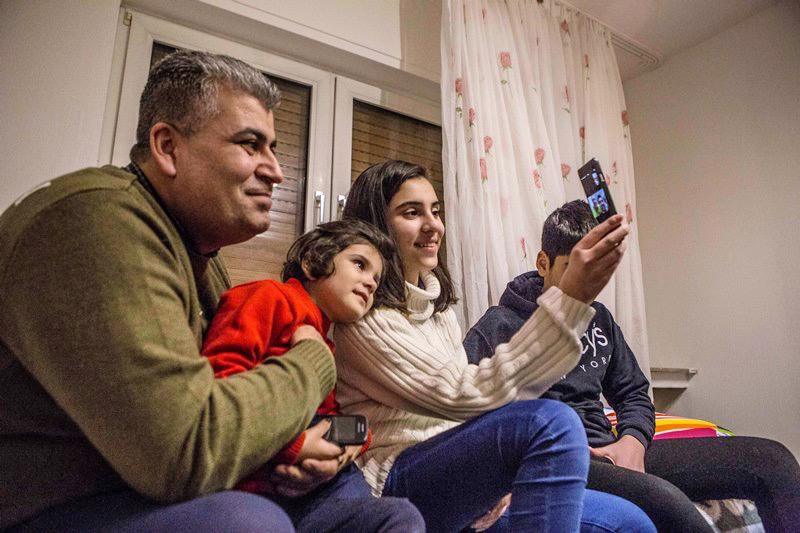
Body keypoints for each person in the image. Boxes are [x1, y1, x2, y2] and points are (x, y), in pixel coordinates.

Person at [0, 50, 422, 532]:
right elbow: (186, 450)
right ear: (167, 146)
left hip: (176, 491)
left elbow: (247, 414)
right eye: (250, 144)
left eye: (273, 148)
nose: (276, 170)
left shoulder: (203, 256)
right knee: (249, 522)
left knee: (391, 520)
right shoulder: (96, 219)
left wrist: (335, 445)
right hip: (61, 506)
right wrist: (312, 362)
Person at [333, 160, 656, 532]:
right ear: (377, 225)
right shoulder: (363, 317)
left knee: (632, 524)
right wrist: (571, 302)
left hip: (452, 463)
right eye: (411, 212)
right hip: (397, 476)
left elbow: (464, 419)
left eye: (435, 211)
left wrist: (492, 475)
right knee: (553, 421)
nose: (433, 225)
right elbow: (462, 395)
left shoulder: (438, 313)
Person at [464, 199, 800, 532]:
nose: (586, 281)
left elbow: (634, 393)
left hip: (615, 450)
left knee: (772, 460)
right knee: (665, 501)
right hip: (561, 459)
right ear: (543, 263)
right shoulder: (498, 326)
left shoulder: (599, 318)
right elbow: (465, 423)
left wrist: (633, 442)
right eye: (573, 267)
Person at [202, 219, 404, 529]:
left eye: (376, 278)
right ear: (313, 261)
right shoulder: (269, 296)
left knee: (400, 514)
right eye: (359, 264)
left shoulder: (323, 342)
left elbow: (331, 417)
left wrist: (352, 443)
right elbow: (219, 388)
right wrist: (293, 446)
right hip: (257, 484)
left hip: (313, 489)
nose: (371, 283)